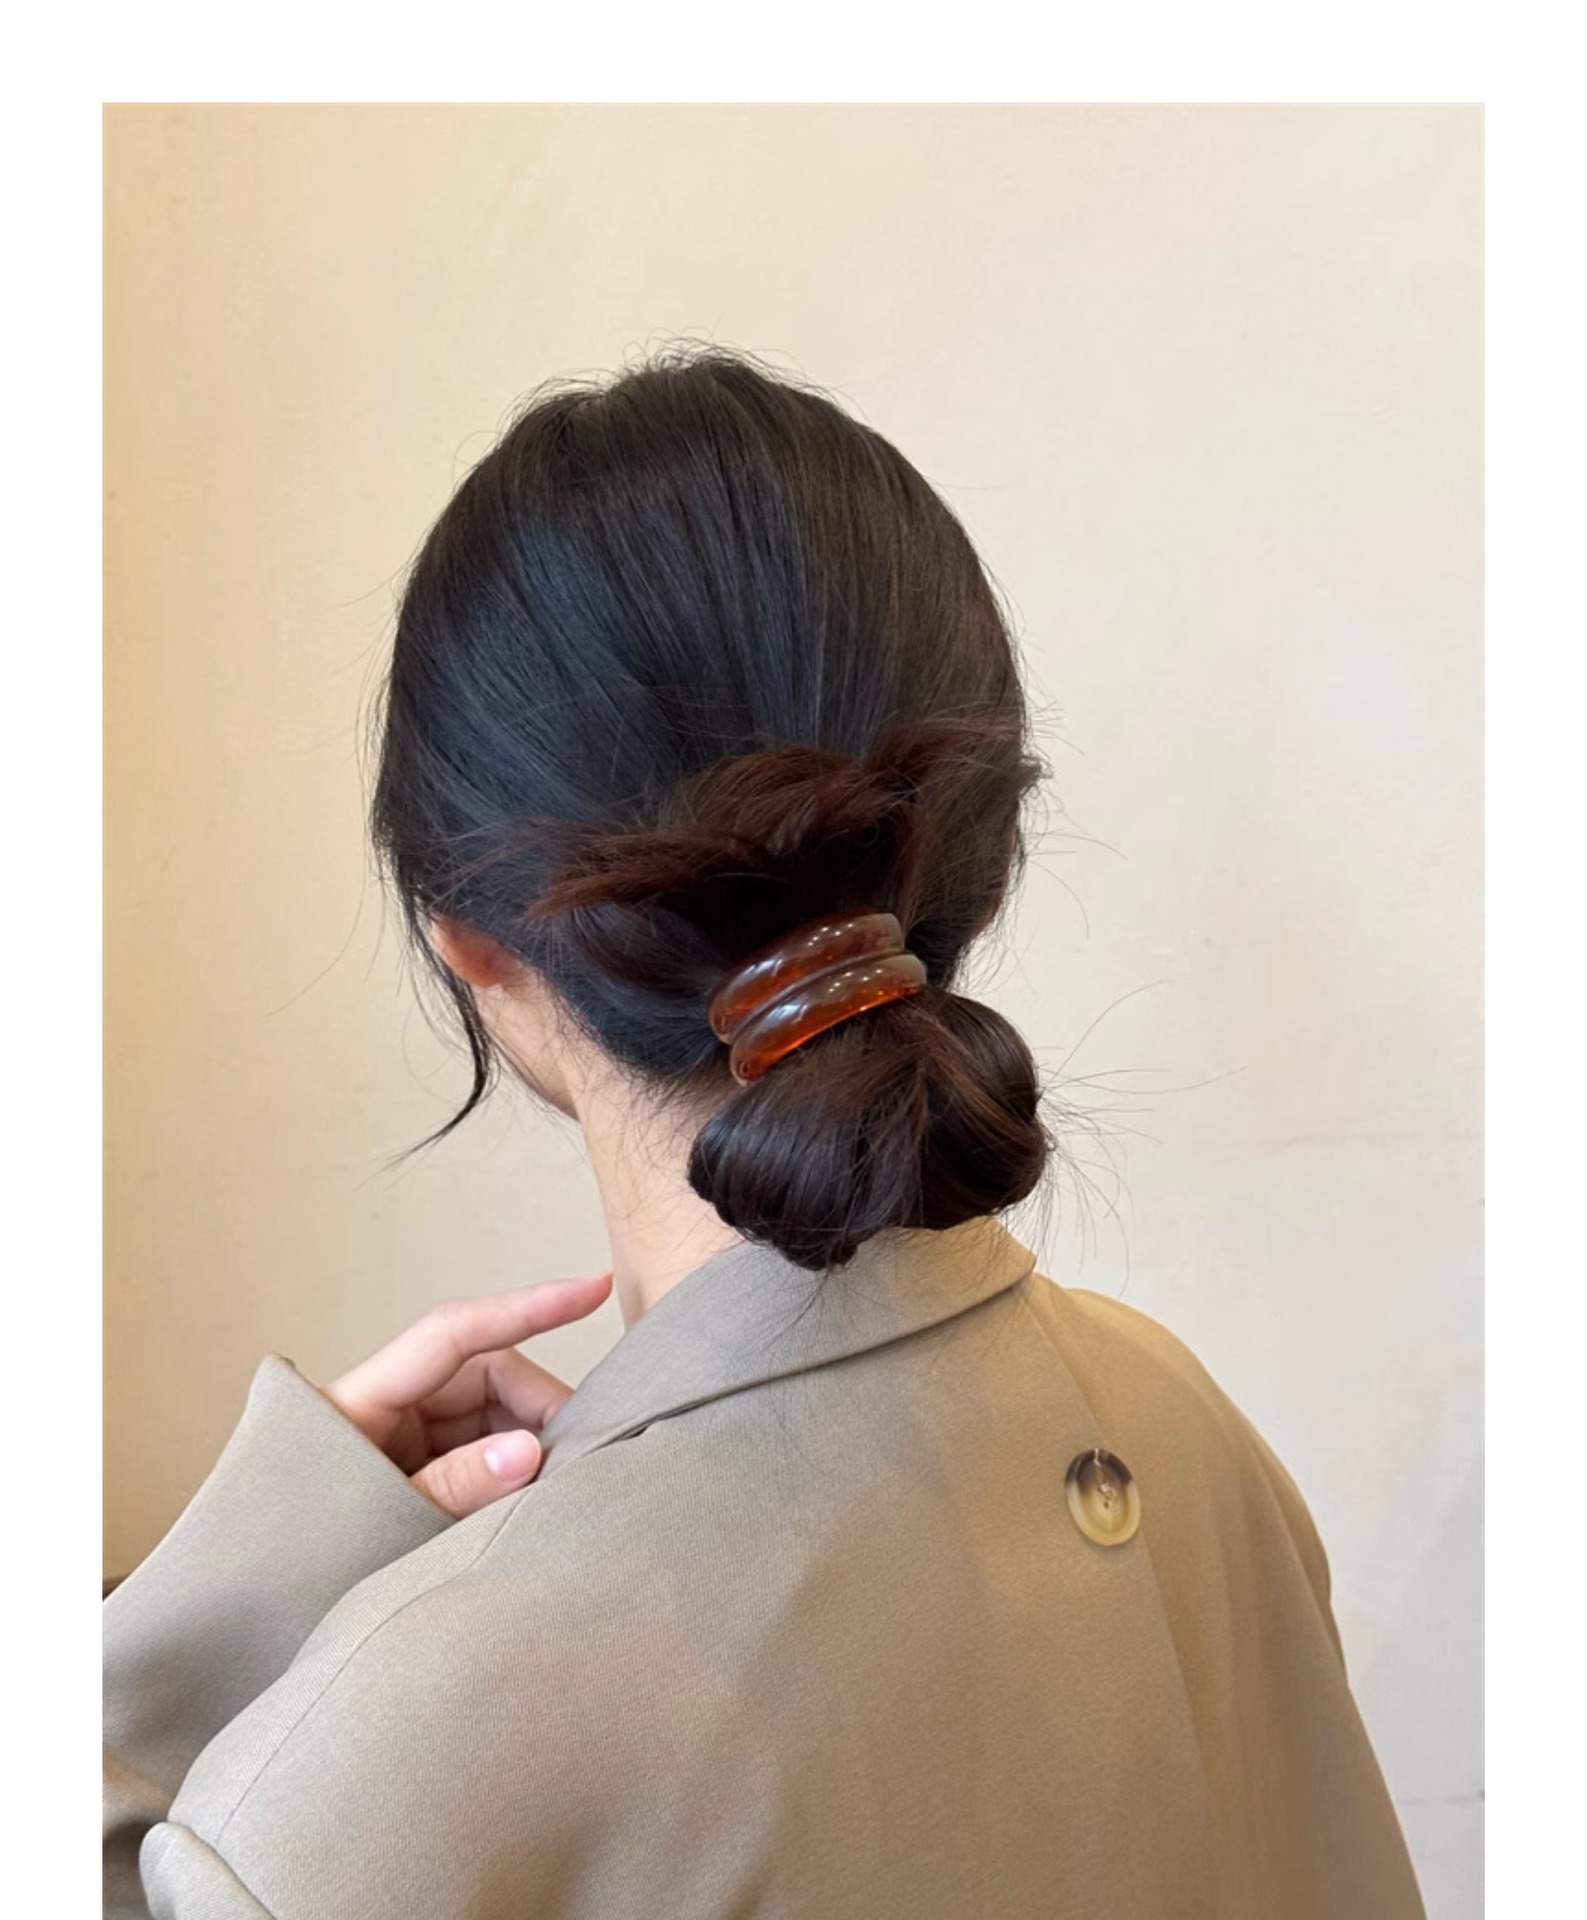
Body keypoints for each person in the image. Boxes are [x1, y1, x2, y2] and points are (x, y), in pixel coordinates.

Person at [103, 345, 1427, 1919]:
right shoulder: (1188, 1434)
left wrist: (207, 1626)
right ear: (976, 862)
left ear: (474, 946)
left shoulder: (372, 1779)